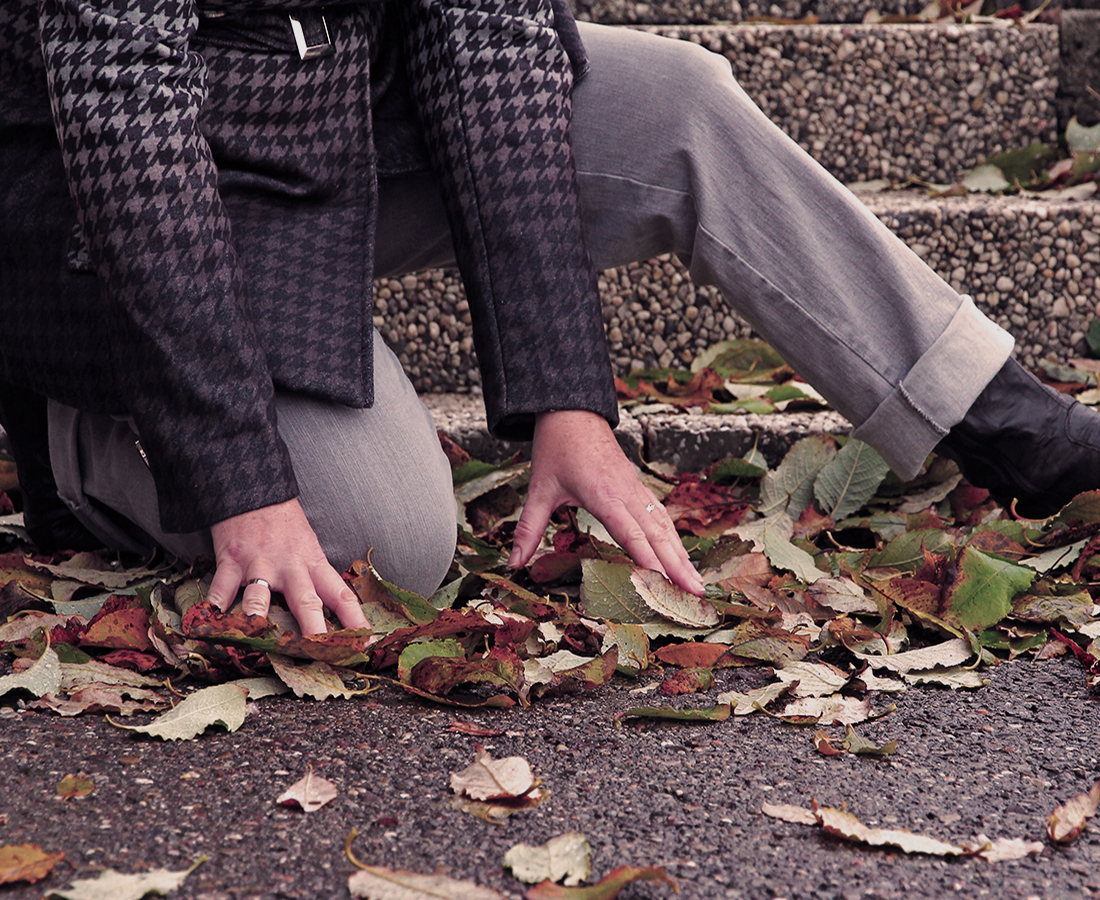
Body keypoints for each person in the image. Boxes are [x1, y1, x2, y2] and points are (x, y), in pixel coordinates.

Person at [1, 1, 1097, 637]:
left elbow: (491, 40)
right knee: (390, 544)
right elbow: (123, 115)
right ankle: (81, 443)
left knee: (669, 97)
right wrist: (237, 473)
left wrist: (565, 400)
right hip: (108, 204)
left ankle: (1009, 429)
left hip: (339, 125)